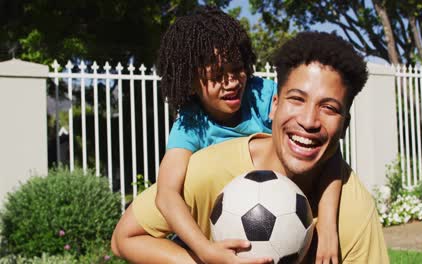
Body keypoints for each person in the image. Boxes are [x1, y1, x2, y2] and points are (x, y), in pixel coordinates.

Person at [111, 31, 390, 263]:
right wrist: (205, 256)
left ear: (345, 124)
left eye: (328, 108)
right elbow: (127, 235)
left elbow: (322, 150)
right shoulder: (203, 162)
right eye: (297, 99)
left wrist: (328, 223)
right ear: (276, 105)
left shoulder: (354, 211)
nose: (309, 121)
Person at [151, 6, 341, 264]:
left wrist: (328, 226)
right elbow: (166, 193)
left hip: (283, 229)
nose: (231, 82)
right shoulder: (190, 124)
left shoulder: (262, 96)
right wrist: (205, 250)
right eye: (217, 76)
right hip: (218, 235)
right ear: (191, 81)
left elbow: (325, 151)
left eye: (237, 69)